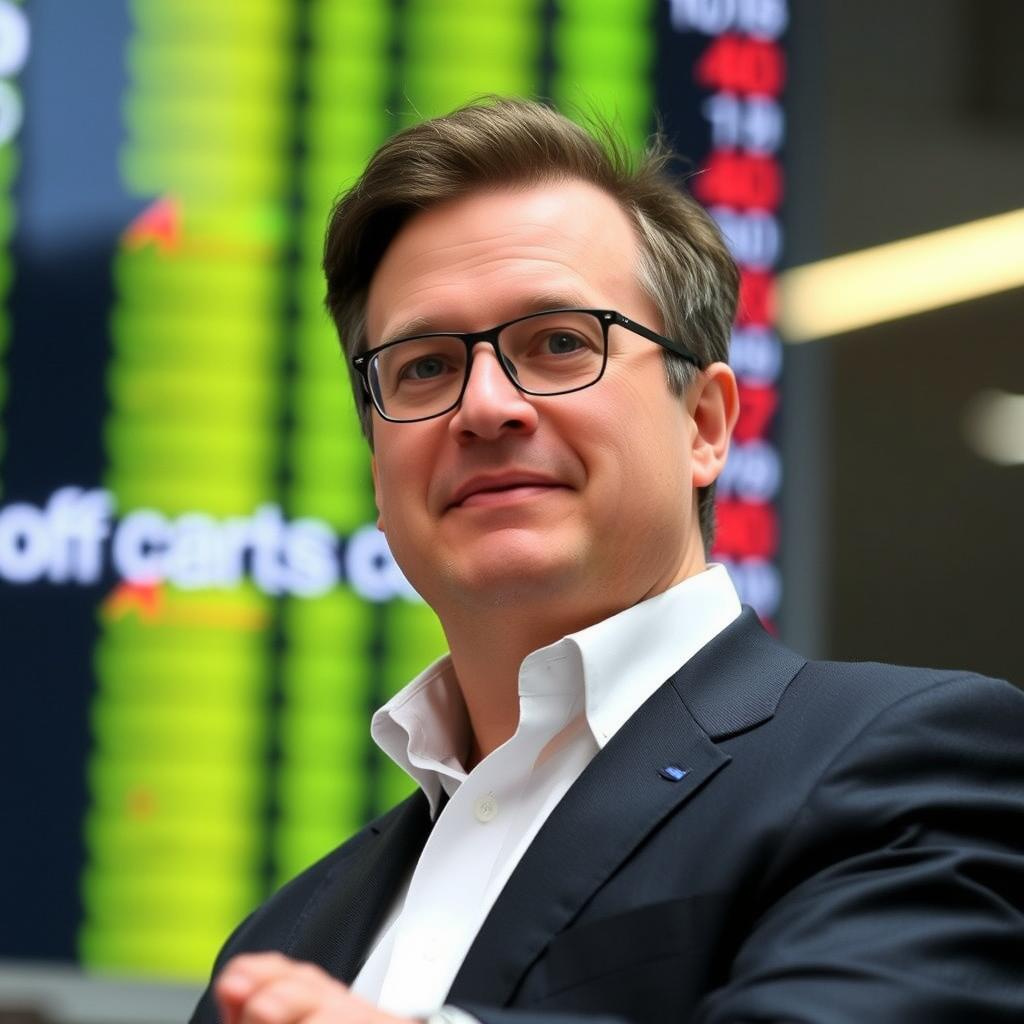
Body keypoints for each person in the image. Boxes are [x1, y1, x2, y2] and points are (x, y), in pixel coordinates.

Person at [190, 98, 1024, 1024]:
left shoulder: (912, 756)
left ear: (704, 426)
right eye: (424, 367)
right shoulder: (280, 940)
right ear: (378, 472)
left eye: (559, 344)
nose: (485, 407)